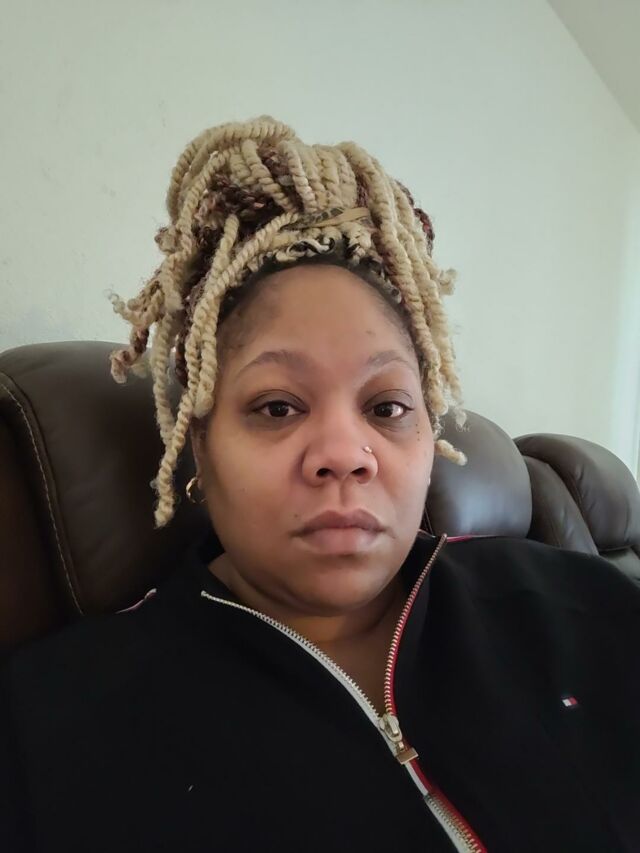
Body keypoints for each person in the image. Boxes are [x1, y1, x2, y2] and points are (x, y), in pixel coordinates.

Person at [1, 116, 639, 853]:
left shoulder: (585, 605)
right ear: (201, 445)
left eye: (387, 407)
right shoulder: (47, 734)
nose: (344, 454)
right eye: (277, 407)